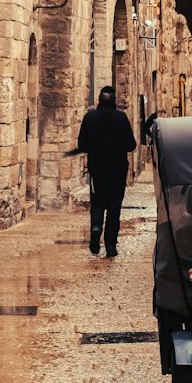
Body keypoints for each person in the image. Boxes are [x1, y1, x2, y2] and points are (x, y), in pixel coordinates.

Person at [73, 85, 137, 258]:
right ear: (114, 100)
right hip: (117, 170)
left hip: (97, 169)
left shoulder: (90, 117)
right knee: (114, 207)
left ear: (99, 100)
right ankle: (110, 245)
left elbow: (82, 145)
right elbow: (131, 145)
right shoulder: (121, 118)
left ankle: (95, 229)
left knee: (98, 202)